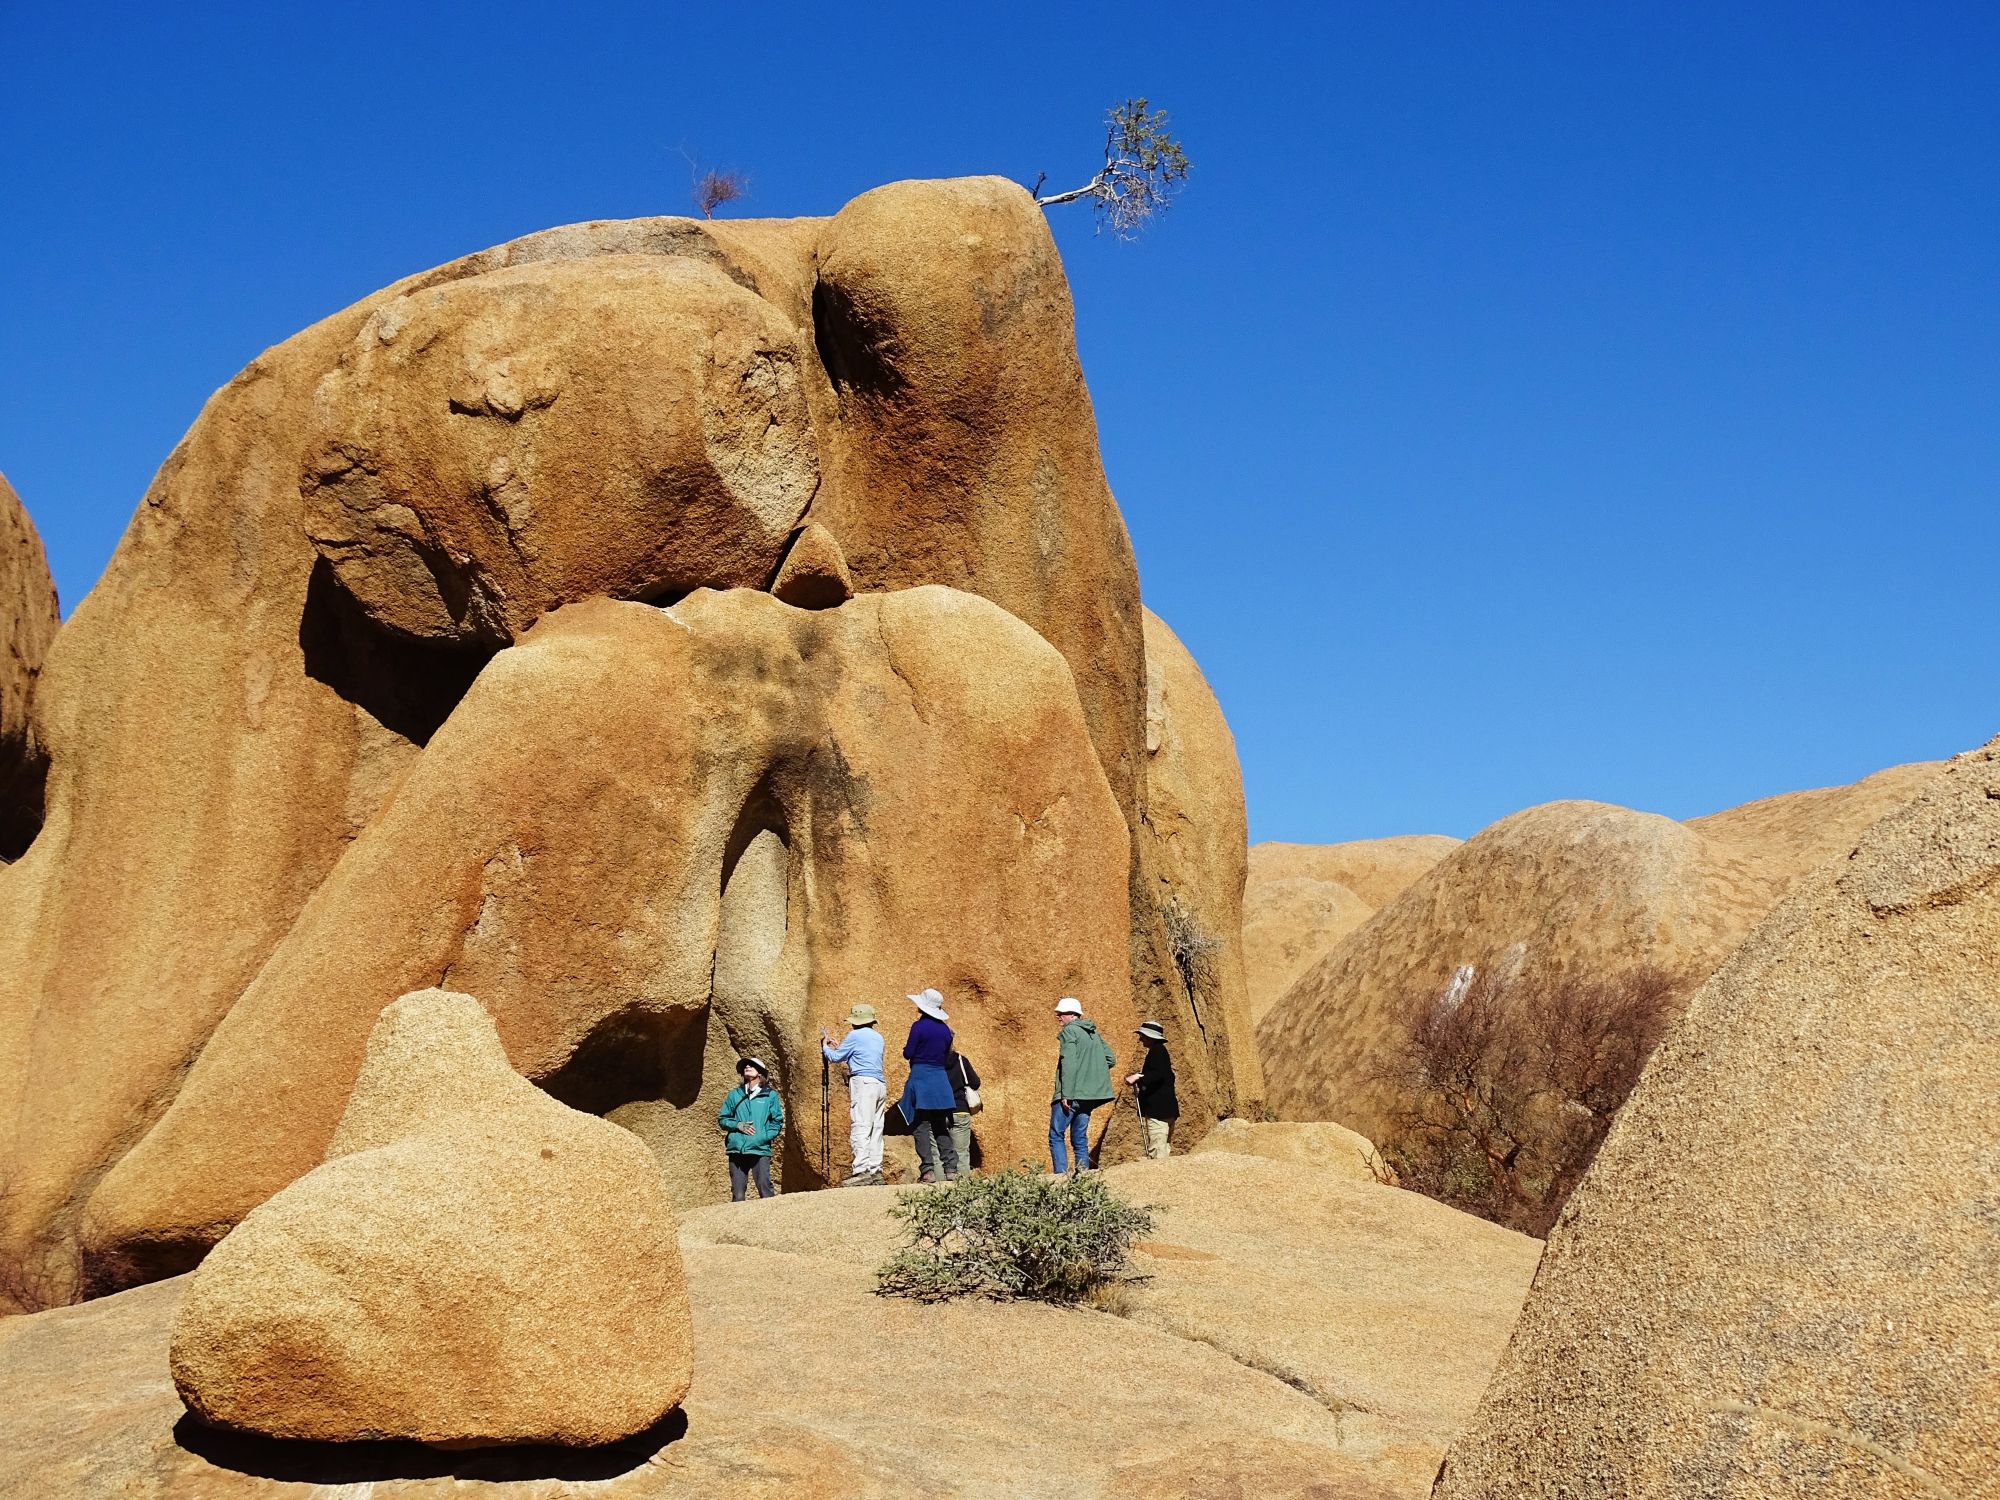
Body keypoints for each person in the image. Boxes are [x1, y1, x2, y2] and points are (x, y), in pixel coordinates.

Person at [896, 987, 960, 1183]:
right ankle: (951, 1169)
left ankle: (928, 1170)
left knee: (922, 1127)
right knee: (941, 1126)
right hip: (940, 1081)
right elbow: (946, 1057)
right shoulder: (946, 1031)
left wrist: (907, 1050)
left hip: (922, 1079)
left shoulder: (919, 1027)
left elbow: (909, 1053)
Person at [822, 1002, 887, 1186]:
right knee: (876, 1127)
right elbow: (860, 1053)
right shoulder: (878, 1037)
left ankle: (861, 1170)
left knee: (861, 1125)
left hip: (863, 1083)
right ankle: (876, 1171)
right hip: (879, 1083)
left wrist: (825, 1046)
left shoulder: (855, 1035)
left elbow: (835, 1057)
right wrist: (842, 1047)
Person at [1049, 996, 1115, 1173]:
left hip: (1072, 1094)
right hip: (1089, 1097)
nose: (1058, 1017)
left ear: (1071, 1015)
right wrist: (1090, 1071)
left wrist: (1067, 1094)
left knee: (1056, 1135)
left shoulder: (1069, 1031)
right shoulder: (1093, 1033)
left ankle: (1060, 1178)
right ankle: (1082, 1178)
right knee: (1079, 1138)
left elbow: (1068, 1062)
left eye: (1061, 1013)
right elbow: (1110, 1059)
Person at [717, 1056, 785, 1202]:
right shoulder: (735, 1094)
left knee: (765, 1188)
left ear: (760, 1073)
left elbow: (777, 1122)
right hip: (737, 1149)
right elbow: (722, 1119)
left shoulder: (769, 1095)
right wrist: (737, 1125)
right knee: (738, 1194)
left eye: (752, 1065)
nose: (747, 1066)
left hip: (759, 1149)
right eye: (745, 1066)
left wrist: (762, 1137)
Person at [1126, 1020, 1178, 1160]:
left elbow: (1157, 1074)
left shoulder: (1157, 1051)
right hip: (1167, 1109)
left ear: (1149, 1036)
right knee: (1164, 1147)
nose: (1140, 1038)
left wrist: (1139, 1078)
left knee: (1157, 1150)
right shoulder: (1160, 1051)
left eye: (1142, 1035)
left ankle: (1160, 1180)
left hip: (1158, 1112)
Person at [945, 1046, 982, 1180]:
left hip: (938, 1111)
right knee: (961, 1152)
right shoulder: (960, 1060)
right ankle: (961, 1193)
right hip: (960, 1109)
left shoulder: (932, 1061)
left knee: (937, 1154)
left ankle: (938, 1191)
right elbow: (975, 1082)